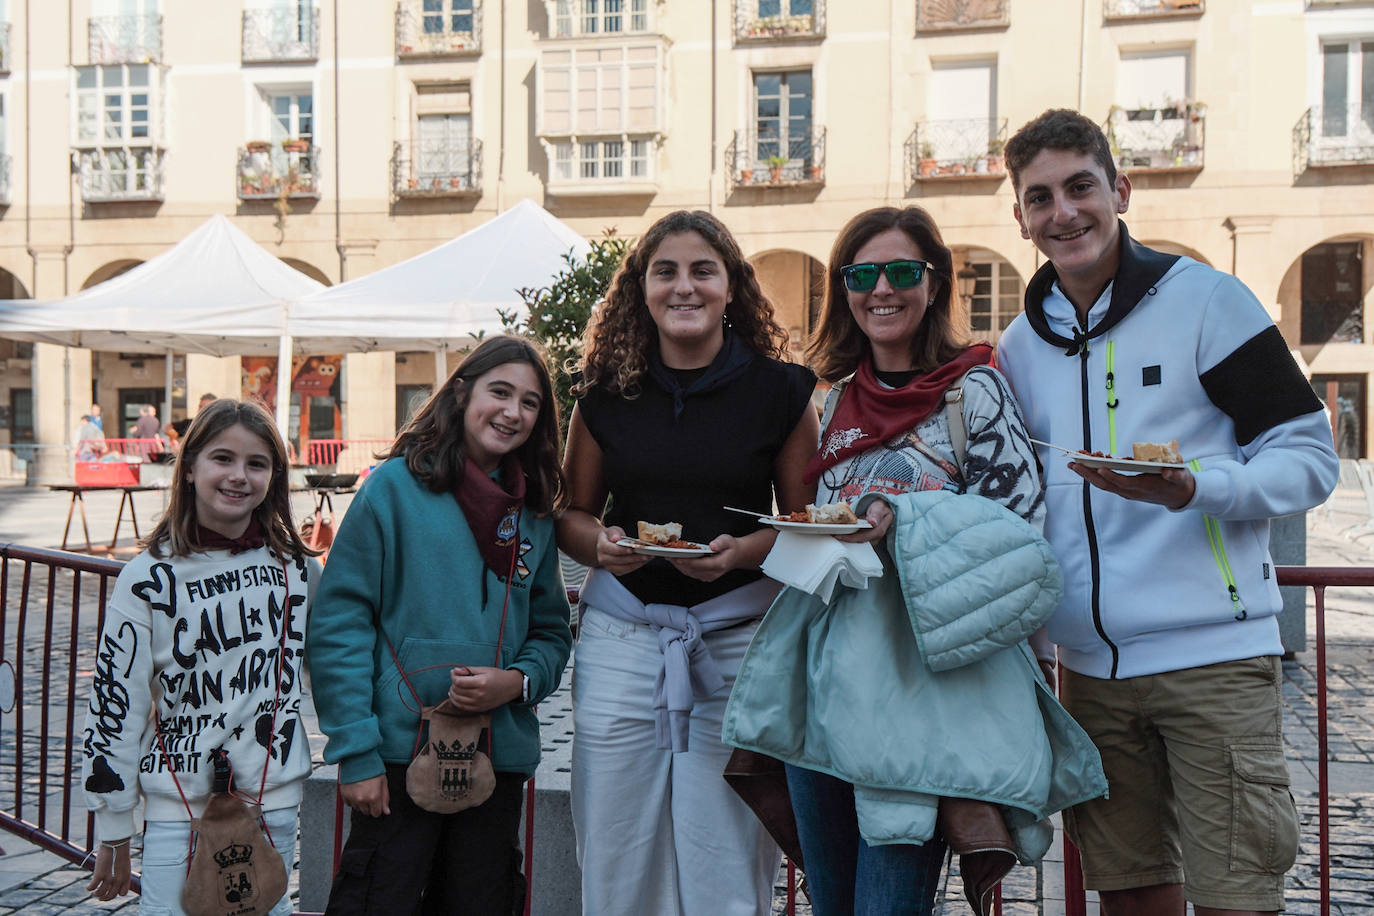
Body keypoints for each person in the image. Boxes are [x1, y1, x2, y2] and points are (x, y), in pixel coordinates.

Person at [995, 108, 1340, 916]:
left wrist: (1199, 488)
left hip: (1214, 662)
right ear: (1020, 217)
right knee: (1130, 898)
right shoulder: (1016, 347)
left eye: (1081, 186)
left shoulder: (1208, 302)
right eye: (1040, 197)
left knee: (1237, 899)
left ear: (1120, 188)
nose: (1064, 212)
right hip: (1089, 676)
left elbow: (1310, 458)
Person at [721, 205, 1104, 916]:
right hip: (827, 689)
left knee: (889, 906)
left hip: (918, 699)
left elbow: (1018, 532)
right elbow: (818, 524)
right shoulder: (832, 401)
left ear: (934, 284)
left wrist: (906, 518)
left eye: (901, 271)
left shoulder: (976, 391)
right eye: (862, 274)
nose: (881, 289)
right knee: (833, 904)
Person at [558, 209, 820, 916]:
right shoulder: (604, 396)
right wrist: (603, 550)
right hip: (621, 642)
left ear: (731, 285)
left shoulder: (784, 391)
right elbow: (571, 515)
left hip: (736, 646)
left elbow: (807, 526)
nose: (685, 286)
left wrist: (744, 551)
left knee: (726, 854)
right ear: (640, 289)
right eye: (665, 271)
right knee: (615, 851)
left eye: (703, 270)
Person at [306, 335, 572, 915]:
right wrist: (355, 750)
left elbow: (552, 632)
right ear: (460, 392)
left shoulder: (534, 510)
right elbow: (339, 624)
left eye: (529, 403)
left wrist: (519, 681)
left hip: (493, 759)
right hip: (397, 760)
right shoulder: (390, 491)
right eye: (499, 392)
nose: (512, 412)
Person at [81, 398, 321, 914]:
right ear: (189, 468)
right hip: (178, 814)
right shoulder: (146, 579)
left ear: (274, 478)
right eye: (222, 459)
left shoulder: (297, 572)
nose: (239, 476)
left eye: (256, 463)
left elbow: (332, 667)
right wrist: (115, 828)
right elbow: (114, 704)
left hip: (272, 806)